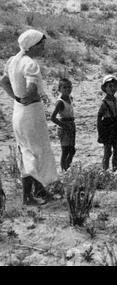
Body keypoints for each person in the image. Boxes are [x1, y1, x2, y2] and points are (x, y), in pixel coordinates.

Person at [0, 29, 58, 205]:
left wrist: (17, 98)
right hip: (31, 112)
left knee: (27, 151)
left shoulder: (12, 61)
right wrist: (27, 98)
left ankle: (36, 192)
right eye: (41, 45)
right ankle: (31, 195)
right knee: (37, 151)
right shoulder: (30, 64)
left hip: (18, 111)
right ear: (33, 46)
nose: (43, 48)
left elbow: (3, 81)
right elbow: (32, 88)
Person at [97, 75, 117, 171]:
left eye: (113, 86)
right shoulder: (104, 103)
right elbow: (99, 118)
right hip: (107, 127)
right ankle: (105, 170)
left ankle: (114, 169)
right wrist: (100, 133)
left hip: (116, 126)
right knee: (107, 152)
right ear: (105, 88)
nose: (112, 88)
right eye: (109, 86)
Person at [51, 78, 76, 171]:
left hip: (71, 124)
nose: (67, 89)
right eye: (64, 87)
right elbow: (52, 117)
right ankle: (64, 170)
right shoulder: (60, 102)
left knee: (72, 150)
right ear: (59, 89)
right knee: (65, 150)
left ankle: (67, 168)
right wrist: (64, 126)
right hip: (64, 126)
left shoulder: (70, 98)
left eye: (69, 87)